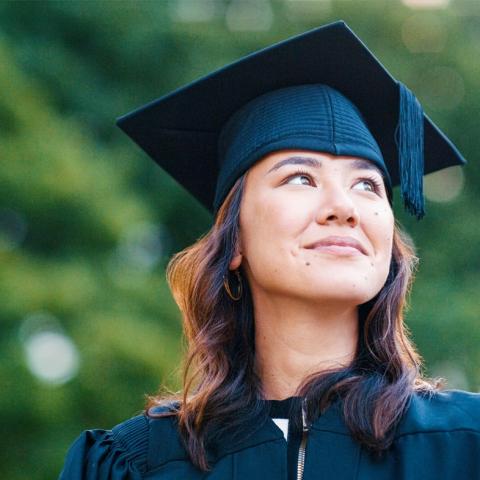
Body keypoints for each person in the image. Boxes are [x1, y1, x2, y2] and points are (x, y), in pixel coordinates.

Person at [58, 20, 479, 480]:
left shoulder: (464, 446)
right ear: (233, 240)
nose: (344, 207)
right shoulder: (137, 464)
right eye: (300, 178)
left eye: (366, 185)